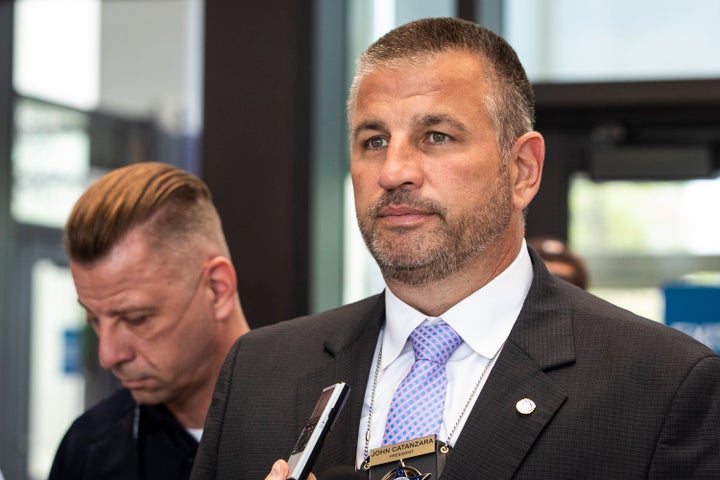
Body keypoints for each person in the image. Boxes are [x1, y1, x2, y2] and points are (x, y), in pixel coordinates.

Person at [192, 18, 720, 480]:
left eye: (436, 136)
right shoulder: (259, 374)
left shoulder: (660, 387)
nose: (394, 171)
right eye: (374, 141)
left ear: (523, 170)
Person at [49, 162, 250, 479]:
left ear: (217, 288)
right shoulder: (87, 449)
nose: (108, 356)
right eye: (94, 320)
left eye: (136, 319)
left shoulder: (315, 428)